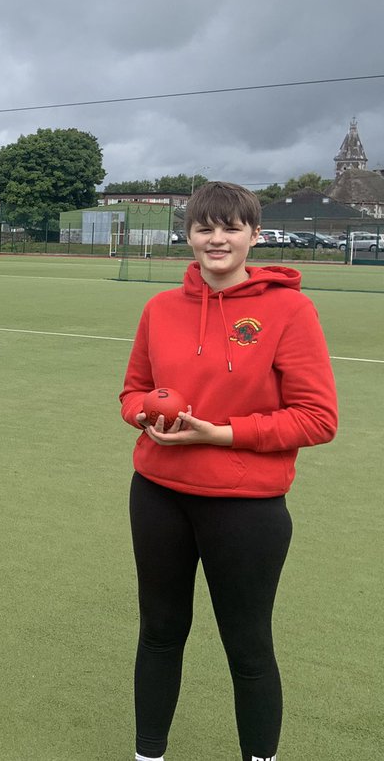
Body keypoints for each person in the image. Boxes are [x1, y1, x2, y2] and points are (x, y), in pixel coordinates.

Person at [118, 181, 338, 761]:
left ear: (253, 235)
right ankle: (149, 755)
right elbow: (133, 390)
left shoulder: (289, 309)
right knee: (160, 634)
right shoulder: (160, 308)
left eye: (231, 228)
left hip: (246, 507)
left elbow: (317, 419)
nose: (217, 239)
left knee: (248, 647)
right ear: (188, 235)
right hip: (159, 494)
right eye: (204, 227)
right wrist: (142, 415)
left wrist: (225, 433)